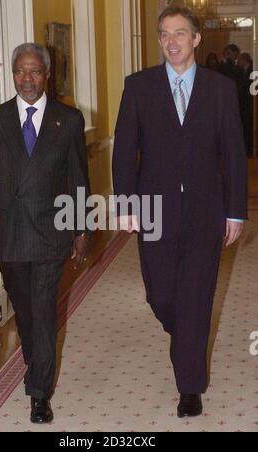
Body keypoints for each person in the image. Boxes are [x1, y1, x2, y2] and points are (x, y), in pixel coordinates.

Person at [113, 6, 247, 418]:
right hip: (154, 210)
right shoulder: (139, 87)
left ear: (195, 39)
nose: (171, 41)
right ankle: (183, 330)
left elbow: (234, 155)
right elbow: (123, 151)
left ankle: (190, 387)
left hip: (207, 210)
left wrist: (236, 212)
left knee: (197, 294)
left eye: (180, 33)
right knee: (160, 295)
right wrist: (125, 203)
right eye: (164, 34)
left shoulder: (220, 89)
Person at [0, 43, 91, 424]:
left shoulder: (67, 120)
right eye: (20, 71)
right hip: (11, 235)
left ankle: (39, 393)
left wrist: (82, 228)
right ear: (13, 74)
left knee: (45, 311)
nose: (28, 78)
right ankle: (39, 363)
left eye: (35, 71)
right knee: (28, 313)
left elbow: (79, 181)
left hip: (53, 235)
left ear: (46, 75)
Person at [238, 52, 254, 157]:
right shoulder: (242, 71)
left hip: (249, 104)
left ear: (244, 60)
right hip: (244, 105)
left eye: (239, 60)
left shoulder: (252, 70)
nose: (238, 62)